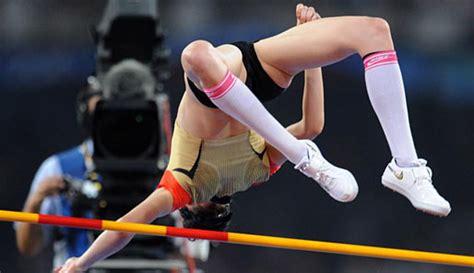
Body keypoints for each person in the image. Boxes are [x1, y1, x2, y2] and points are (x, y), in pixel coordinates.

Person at [56, 4, 450, 272]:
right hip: (245, 72)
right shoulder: (188, 186)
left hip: (251, 74)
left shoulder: (246, 175)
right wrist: (82, 264)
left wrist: (82, 262)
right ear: (196, 207)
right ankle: (404, 165)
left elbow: (312, 126)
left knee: (374, 31)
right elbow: (127, 225)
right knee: (195, 56)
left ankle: (340, 161)